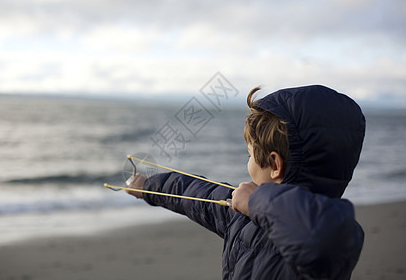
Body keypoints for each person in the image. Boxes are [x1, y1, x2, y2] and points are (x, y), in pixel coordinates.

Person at [126, 85, 365, 279]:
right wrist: (148, 187)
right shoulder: (245, 217)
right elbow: (200, 196)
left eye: (250, 155)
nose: (248, 162)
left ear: (275, 165)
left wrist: (257, 201)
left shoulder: (335, 234)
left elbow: (321, 237)